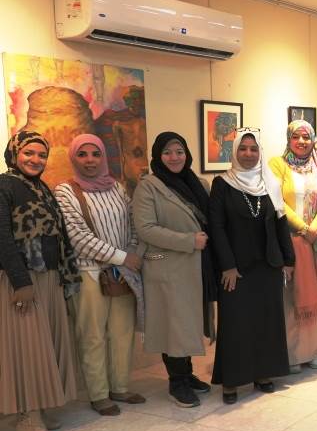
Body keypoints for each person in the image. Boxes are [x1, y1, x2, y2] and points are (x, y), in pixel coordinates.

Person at [55, 134, 144, 416]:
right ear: (74, 158)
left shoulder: (116, 187)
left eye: (95, 154)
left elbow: (133, 222)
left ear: (103, 156)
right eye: (82, 155)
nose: (90, 160)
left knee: (122, 332)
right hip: (89, 273)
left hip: (122, 273)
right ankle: (99, 394)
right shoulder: (65, 192)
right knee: (92, 335)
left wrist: (129, 254)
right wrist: (122, 257)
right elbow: (77, 238)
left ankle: (120, 387)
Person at [0, 130, 78, 431]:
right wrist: (21, 282)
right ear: (14, 153)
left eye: (41, 155)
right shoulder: (4, 185)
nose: (35, 159)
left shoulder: (41, 187)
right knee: (28, 350)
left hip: (48, 275)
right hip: (21, 280)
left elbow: (57, 235)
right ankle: (28, 420)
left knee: (47, 346)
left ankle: (41, 409)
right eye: (28, 153)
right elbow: (2, 238)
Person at [209, 130, 294, 403]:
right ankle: (232, 380)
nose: (248, 154)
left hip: (267, 266)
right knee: (236, 324)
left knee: (266, 321)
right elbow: (217, 227)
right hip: (236, 269)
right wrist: (227, 266)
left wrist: (288, 260)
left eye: (253, 149)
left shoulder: (269, 183)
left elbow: (281, 223)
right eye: (242, 149)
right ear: (234, 152)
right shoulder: (222, 184)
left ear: (260, 153)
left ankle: (263, 373)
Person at [133, 132, 216, 408]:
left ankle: (187, 374)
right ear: (158, 156)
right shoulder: (148, 186)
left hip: (195, 266)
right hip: (168, 268)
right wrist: (188, 241)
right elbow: (146, 229)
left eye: (179, 151)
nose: (174, 157)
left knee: (188, 323)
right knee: (174, 325)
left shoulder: (199, 184)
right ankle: (177, 382)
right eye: (167, 152)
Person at [268, 120, 317, 373]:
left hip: (315, 243)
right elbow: (277, 201)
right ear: (289, 139)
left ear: (313, 140)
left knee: (316, 297)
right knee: (290, 298)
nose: (302, 142)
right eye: (296, 137)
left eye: (306, 137)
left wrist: (315, 227)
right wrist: (304, 229)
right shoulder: (277, 164)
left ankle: (312, 350)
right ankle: (291, 353)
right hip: (289, 241)